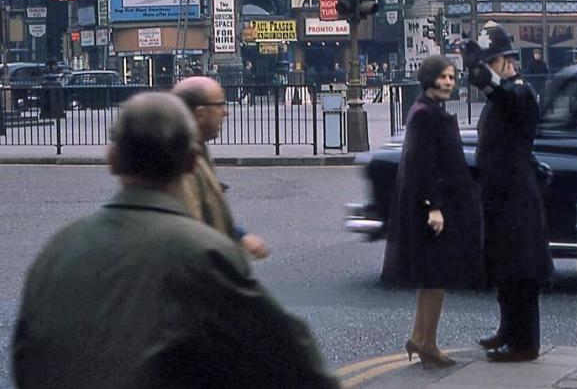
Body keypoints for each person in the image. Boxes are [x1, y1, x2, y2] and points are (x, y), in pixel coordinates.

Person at [12, 93, 338, 389]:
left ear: (112, 159)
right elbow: (287, 354)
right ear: (191, 163)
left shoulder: (57, 249)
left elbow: (25, 355)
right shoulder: (202, 254)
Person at [382, 55, 483, 368]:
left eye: (452, 77)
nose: (448, 82)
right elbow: (423, 165)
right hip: (431, 207)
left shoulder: (429, 110)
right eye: (442, 77)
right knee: (435, 276)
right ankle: (428, 342)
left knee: (432, 278)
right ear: (428, 79)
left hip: (437, 203)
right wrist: (433, 207)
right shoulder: (425, 114)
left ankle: (421, 338)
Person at [465, 23, 552, 363]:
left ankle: (525, 342)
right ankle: (507, 329)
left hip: (518, 197)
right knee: (504, 269)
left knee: (522, 273)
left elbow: (502, 95)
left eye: (491, 63)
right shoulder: (501, 95)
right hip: (500, 195)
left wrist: (478, 72)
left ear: (505, 63)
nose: (487, 71)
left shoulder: (522, 93)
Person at [171, 76, 270, 259]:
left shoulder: (196, 148)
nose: (226, 112)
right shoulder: (182, 162)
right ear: (200, 114)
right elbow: (191, 230)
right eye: (219, 105)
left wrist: (239, 236)